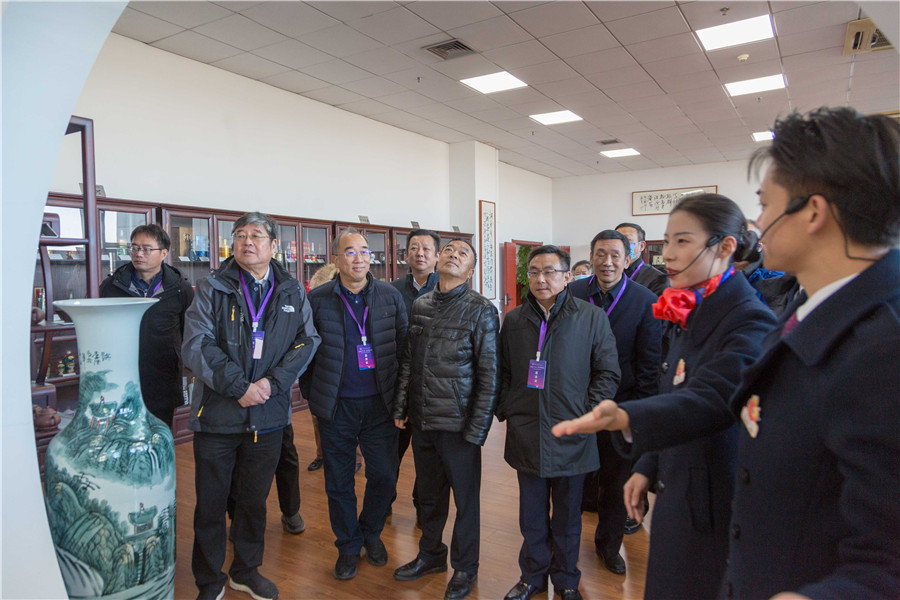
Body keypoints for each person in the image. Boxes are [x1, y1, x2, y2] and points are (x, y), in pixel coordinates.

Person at [553, 194, 777, 600]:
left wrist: (626, 416)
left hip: (711, 498)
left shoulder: (748, 318)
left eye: (682, 241)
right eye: (667, 241)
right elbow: (674, 388)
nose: (668, 254)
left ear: (725, 247)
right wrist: (648, 463)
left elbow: (711, 398)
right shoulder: (696, 308)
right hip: (677, 483)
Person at [724, 107, 900, 599]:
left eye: (765, 205)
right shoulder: (807, 310)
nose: (759, 222)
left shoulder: (885, 347)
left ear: (813, 212)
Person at [183, 211, 320, 600]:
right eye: (240, 235)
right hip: (217, 417)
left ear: (273, 245)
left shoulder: (291, 290)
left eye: (256, 235)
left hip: (268, 415)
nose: (247, 242)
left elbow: (307, 341)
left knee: (253, 503)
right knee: (210, 507)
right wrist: (239, 387)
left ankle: (245, 571)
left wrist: (272, 384)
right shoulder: (211, 287)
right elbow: (197, 344)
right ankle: (209, 581)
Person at [497, 245, 620, 600]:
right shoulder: (515, 320)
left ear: (567, 277)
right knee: (531, 516)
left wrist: (588, 414)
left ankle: (566, 580)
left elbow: (608, 373)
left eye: (549, 271)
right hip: (527, 431)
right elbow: (503, 372)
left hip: (573, 433)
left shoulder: (591, 317)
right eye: (534, 272)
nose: (541, 279)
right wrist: (509, 409)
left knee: (568, 517)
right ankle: (532, 578)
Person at [392, 238, 500, 600]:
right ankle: (430, 555)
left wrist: (478, 429)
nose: (454, 255)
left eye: (463, 253)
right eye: (449, 250)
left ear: (471, 271)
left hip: (459, 426)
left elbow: (490, 375)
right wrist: (401, 407)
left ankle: (465, 568)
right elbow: (409, 360)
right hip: (423, 420)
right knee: (429, 496)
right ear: (438, 260)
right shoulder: (421, 304)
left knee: (465, 503)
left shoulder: (482, 310)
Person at [299, 228, 407, 581]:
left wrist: (401, 401)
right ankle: (347, 545)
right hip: (337, 407)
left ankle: (370, 532)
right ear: (335, 259)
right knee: (339, 482)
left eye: (364, 251)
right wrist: (316, 397)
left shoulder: (390, 297)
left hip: (380, 406)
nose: (359, 258)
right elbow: (306, 353)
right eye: (350, 252)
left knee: (384, 476)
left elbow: (404, 350)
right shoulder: (318, 300)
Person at [567, 229, 662, 574]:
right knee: (572, 483)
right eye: (601, 254)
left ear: (628, 258)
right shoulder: (573, 293)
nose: (607, 262)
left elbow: (649, 363)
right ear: (591, 256)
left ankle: (609, 547)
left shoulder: (644, 300)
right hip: (576, 406)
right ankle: (565, 551)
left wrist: (639, 414)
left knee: (615, 482)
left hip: (620, 408)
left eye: (615, 255)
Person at [99, 224, 194, 427]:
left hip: (163, 378)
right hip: (121, 378)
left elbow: (188, 332)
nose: (138, 254)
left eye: (146, 249)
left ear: (163, 253)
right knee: (124, 435)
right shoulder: (112, 287)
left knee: (159, 436)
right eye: (134, 248)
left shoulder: (180, 289)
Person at [389, 229, 440, 519]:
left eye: (426, 248)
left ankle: (423, 509)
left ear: (437, 255)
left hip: (431, 389)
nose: (420, 253)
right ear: (406, 254)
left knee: (428, 458)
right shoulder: (391, 290)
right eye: (414, 248)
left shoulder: (447, 289)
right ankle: (383, 503)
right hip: (397, 385)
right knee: (389, 454)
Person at [303, 264, 363, 474]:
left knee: (351, 420)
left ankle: (355, 457)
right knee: (319, 418)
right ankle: (321, 455)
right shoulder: (317, 298)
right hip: (322, 369)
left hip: (350, 369)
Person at [615, 222, 667, 296]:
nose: (621, 244)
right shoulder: (608, 272)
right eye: (617, 240)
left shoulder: (658, 279)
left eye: (627, 240)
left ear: (641, 246)